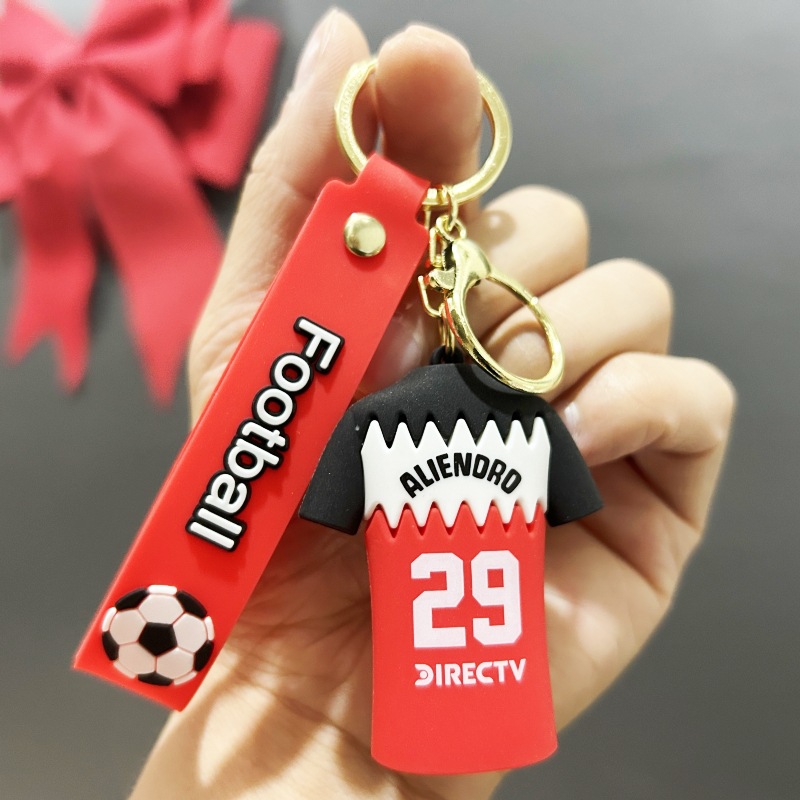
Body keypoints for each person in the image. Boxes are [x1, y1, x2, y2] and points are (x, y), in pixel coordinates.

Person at [131, 10, 734, 799]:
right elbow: (574, 501)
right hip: (475, 696)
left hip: (420, 709)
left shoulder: (374, 424)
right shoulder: (524, 419)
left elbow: (320, 507)